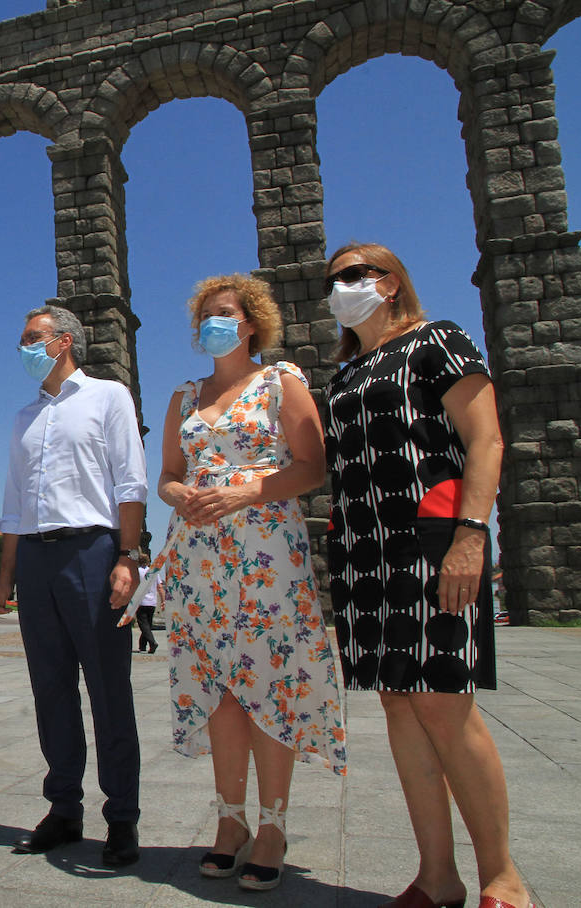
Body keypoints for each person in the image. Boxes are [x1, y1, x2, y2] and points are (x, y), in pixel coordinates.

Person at [322, 244, 532, 908]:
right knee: (397, 703)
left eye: (357, 274)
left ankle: (505, 877)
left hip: (431, 540)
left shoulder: (438, 341)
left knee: (443, 700)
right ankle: (436, 876)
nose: (343, 287)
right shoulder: (345, 374)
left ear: (391, 283)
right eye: (335, 280)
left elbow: (486, 440)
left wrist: (472, 536)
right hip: (362, 551)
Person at [134, 275, 347, 891]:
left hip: (266, 552)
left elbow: (312, 465)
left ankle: (274, 824)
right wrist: (182, 495)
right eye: (204, 315)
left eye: (223, 313)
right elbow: (168, 475)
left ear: (252, 323)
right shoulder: (184, 395)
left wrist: (247, 489)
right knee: (221, 689)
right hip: (202, 558)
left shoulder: (281, 383)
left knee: (267, 684)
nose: (212, 323)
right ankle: (231, 821)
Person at [0, 304, 148, 868]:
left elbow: (130, 481)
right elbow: (13, 503)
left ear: (64, 341)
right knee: (50, 688)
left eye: (33, 338)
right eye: (23, 339)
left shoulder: (108, 396)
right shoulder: (23, 418)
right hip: (35, 556)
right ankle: (64, 808)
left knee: (108, 689)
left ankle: (122, 818)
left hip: (92, 549)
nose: (24, 348)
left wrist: (127, 556)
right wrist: (6, 574)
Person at [133, 564, 158, 655]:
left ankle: (152, 642)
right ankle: (142, 646)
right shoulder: (154, 571)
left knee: (143, 625)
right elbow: (160, 586)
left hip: (141, 601)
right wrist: (163, 600)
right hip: (152, 602)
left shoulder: (137, 571)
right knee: (147, 625)